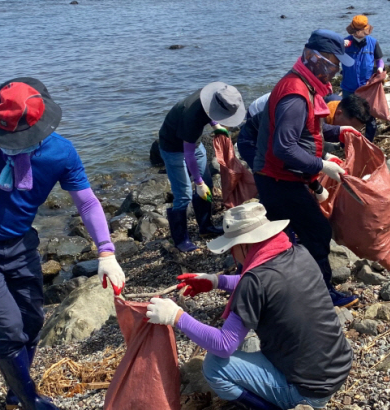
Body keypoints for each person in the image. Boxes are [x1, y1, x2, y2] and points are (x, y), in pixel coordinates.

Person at [0, 77, 126, 410]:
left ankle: (16, 393)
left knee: (32, 322)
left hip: (19, 246)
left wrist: (106, 250)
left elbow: (86, 202)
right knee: (10, 330)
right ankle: (31, 401)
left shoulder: (60, 152)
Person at [146, 203, 352, 410]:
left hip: (308, 392)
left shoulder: (254, 281)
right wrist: (216, 281)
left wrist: (176, 316)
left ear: (244, 244)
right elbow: (268, 286)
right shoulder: (299, 253)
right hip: (337, 366)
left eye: (232, 247)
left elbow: (223, 345)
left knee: (214, 366)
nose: (233, 255)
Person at [252, 29, 361, 308]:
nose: (336, 71)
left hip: (283, 177)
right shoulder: (295, 94)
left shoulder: (306, 84)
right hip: (277, 179)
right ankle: (322, 295)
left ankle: (286, 290)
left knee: (287, 236)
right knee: (317, 232)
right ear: (315, 58)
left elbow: (311, 129)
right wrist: (323, 164)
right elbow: (284, 148)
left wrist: (340, 132)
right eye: (334, 64)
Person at [158, 82, 245, 251]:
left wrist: (216, 125)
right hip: (173, 148)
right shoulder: (192, 116)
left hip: (194, 144)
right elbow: (188, 153)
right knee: (183, 194)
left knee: (208, 184)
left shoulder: (213, 96)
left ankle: (205, 227)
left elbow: (209, 112)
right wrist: (198, 183)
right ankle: (181, 240)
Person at [236, 92, 371, 168]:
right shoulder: (309, 109)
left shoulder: (328, 106)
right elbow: (296, 144)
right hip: (251, 137)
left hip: (274, 125)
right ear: (340, 113)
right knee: (267, 172)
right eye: (352, 126)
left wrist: (340, 131)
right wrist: (324, 160)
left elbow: (316, 132)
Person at [341, 15, 383, 141]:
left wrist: (380, 69)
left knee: (369, 117)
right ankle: (346, 143)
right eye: (356, 32)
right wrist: (338, 45)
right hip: (348, 86)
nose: (359, 34)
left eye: (361, 32)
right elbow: (330, 55)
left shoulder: (373, 42)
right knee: (347, 117)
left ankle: (369, 142)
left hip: (366, 87)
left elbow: (379, 60)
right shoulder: (344, 43)